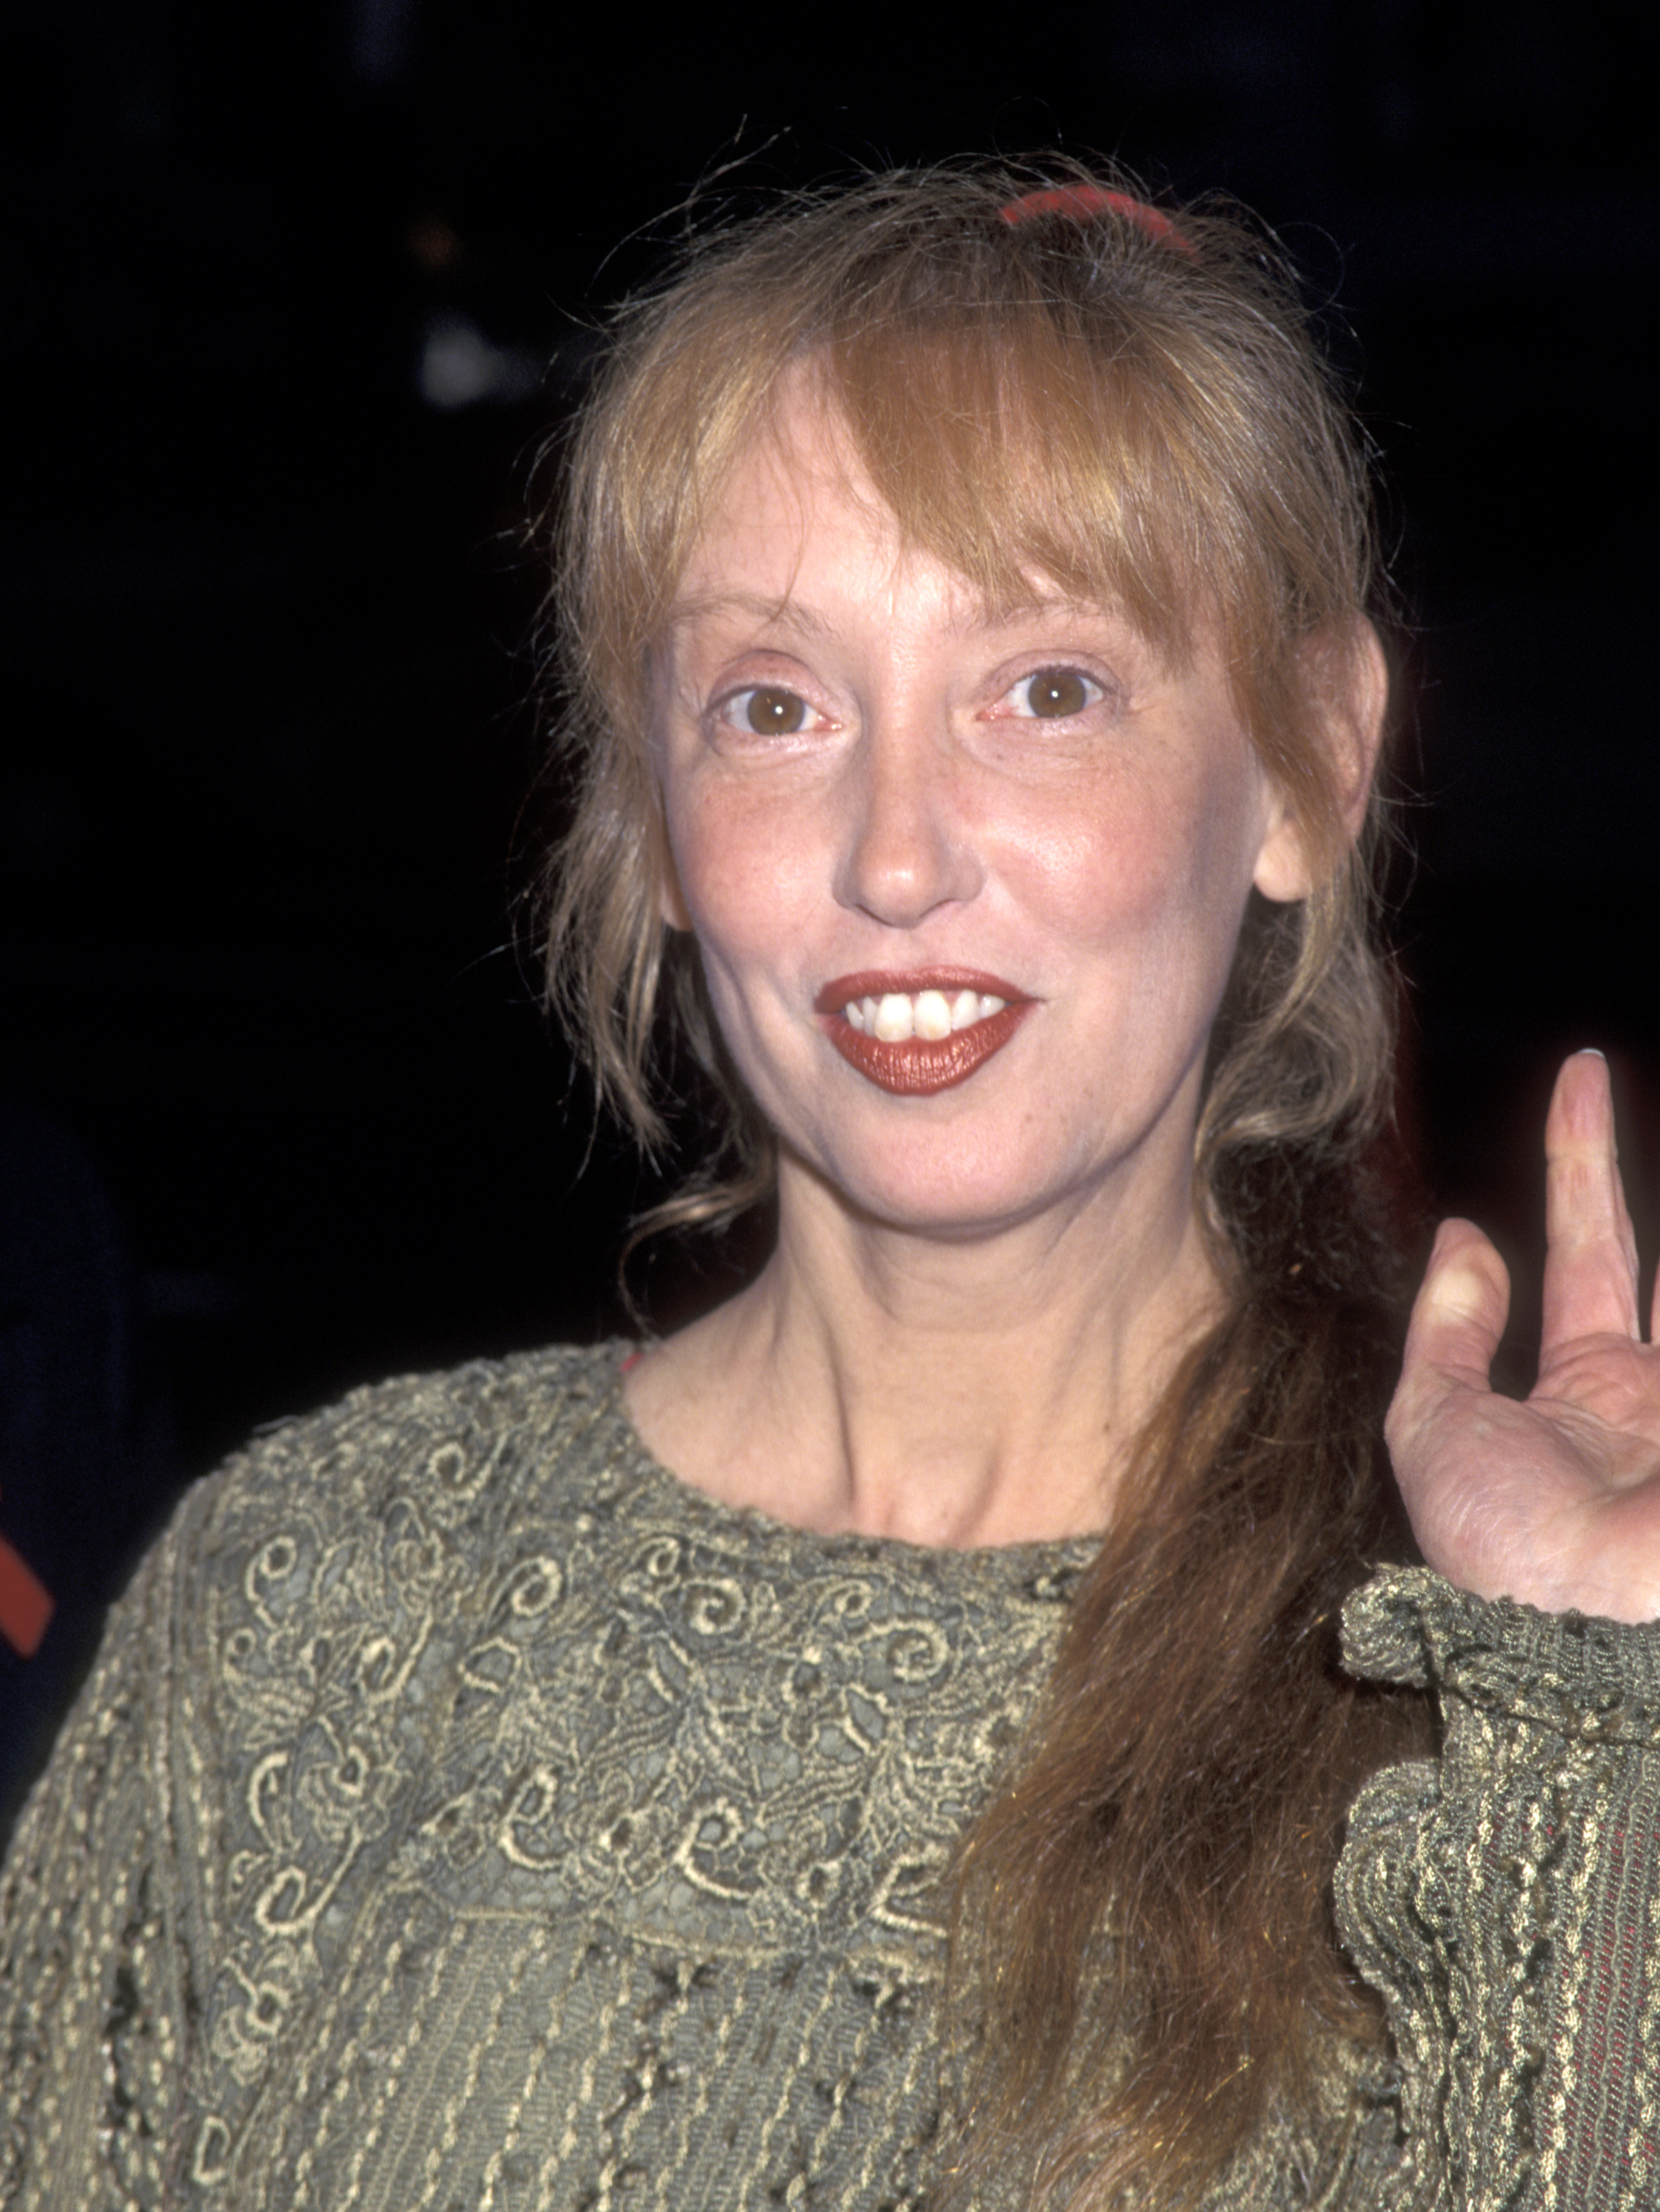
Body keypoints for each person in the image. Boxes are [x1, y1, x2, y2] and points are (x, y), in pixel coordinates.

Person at [3, 161, 1659, 2212]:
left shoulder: (1498, 1671)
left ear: (1307, 762)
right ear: (654, 807)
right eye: (772, 707)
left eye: (1044, 689)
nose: (893, 856)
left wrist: (1602, 1739)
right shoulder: (318, 1593)